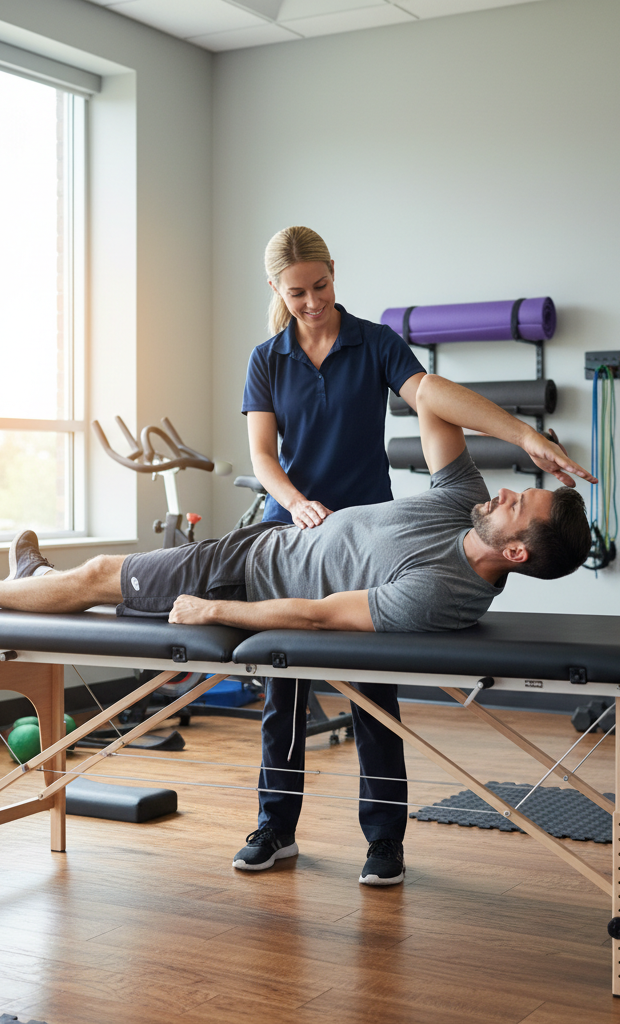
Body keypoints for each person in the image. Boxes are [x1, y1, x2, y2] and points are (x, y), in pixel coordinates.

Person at [0, 374, 593, 882]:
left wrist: (215, 610)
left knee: (106, 573)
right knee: (103, 586)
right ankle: (32, 580)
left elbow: (321, 615)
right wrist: (527, 436)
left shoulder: (442, 591)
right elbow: (432, 396)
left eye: (517, 502)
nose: (504, 489)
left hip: (245, 576)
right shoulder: (461, 504)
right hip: (263, 547)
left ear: (516, 553)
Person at [240, 225, 426, 888]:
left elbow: (426, 398)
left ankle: (384, 841)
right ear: (276, 289)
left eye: (321, 286)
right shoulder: (268, 358)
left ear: (334, 273)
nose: (313, 301)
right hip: (290, 535)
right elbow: (263, 456)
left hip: (367, 537)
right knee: (282, 687)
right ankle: (276, 827)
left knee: (373, 692)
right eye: (298, 292)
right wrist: (293, 503)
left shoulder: (375, 343)